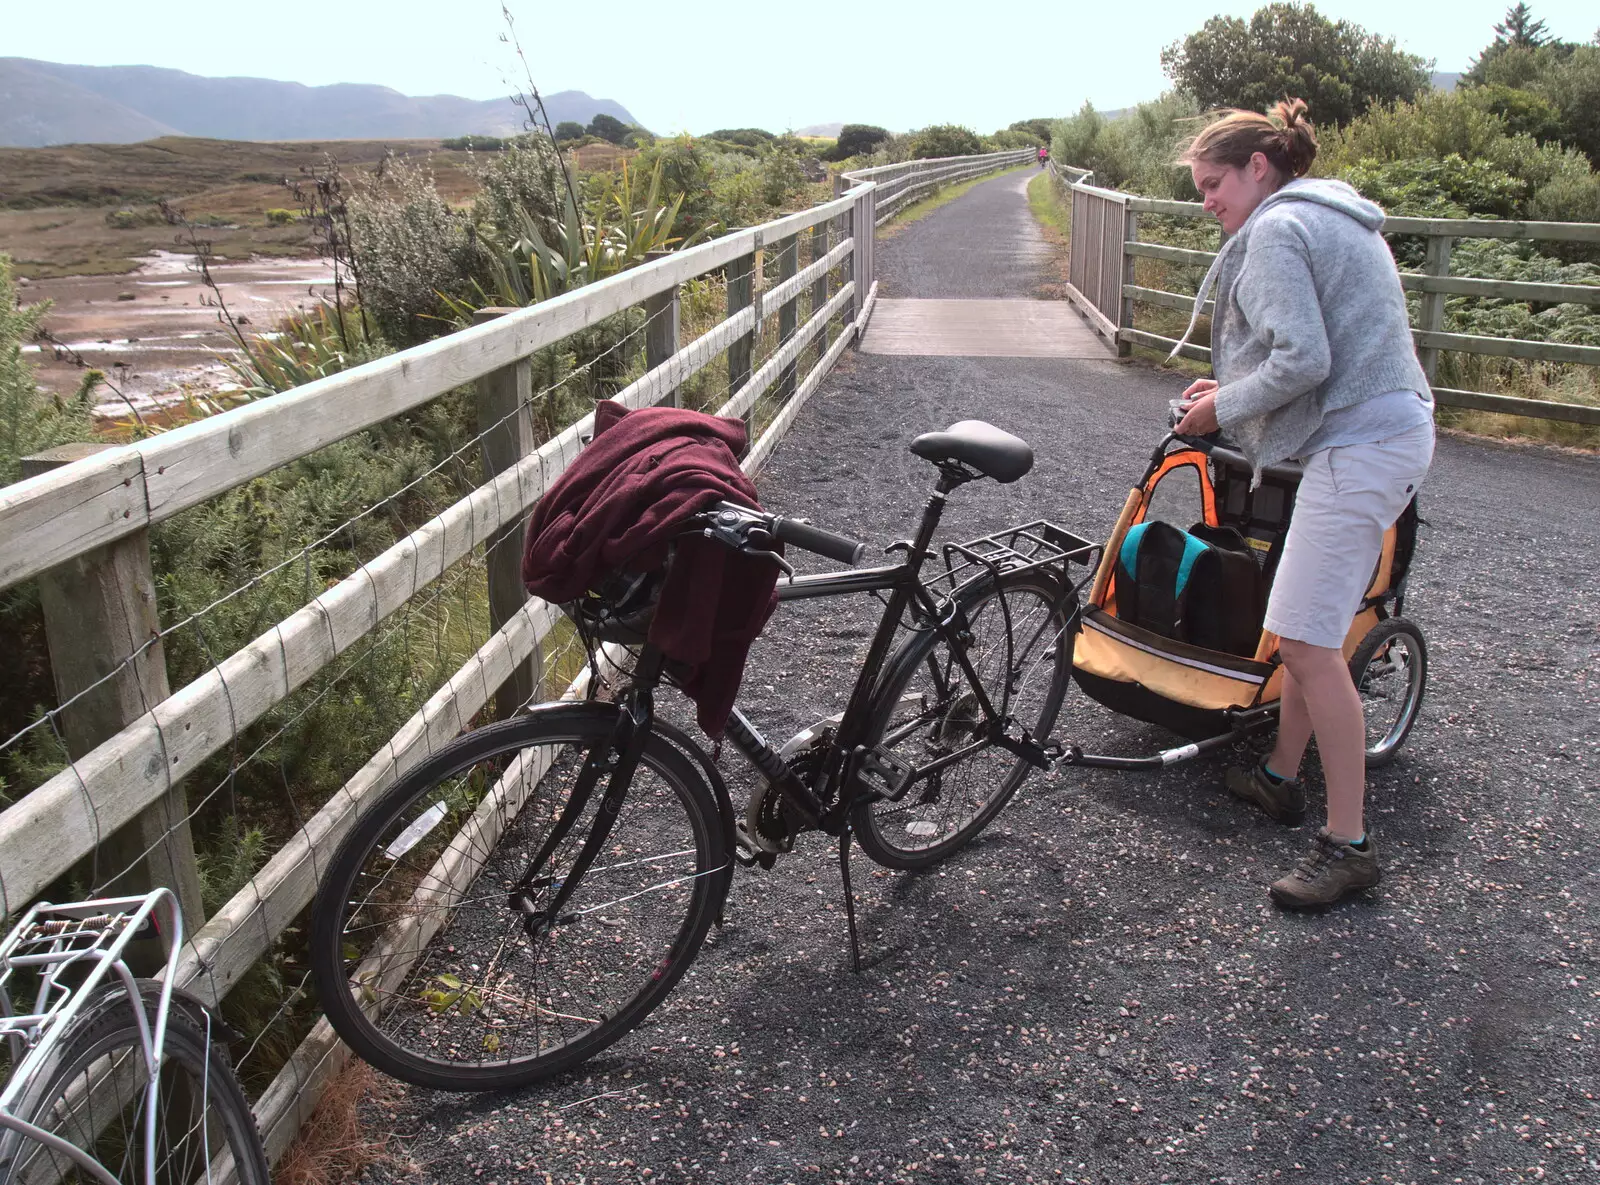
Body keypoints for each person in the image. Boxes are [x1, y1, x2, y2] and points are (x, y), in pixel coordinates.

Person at [1169, 98, 1436, 908]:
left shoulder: (1280, 230)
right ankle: (1280, 775)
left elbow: (1307, 358)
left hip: (1363, 446)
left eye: (1214, 183)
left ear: (1260, 167)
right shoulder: (1336, 218)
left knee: (1314, 648)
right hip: (1382, 431)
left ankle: (1348, 845)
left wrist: (1218, 409)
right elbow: (1330, 348)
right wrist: (1237, 388)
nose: (1208, 200)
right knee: (1297, 628)